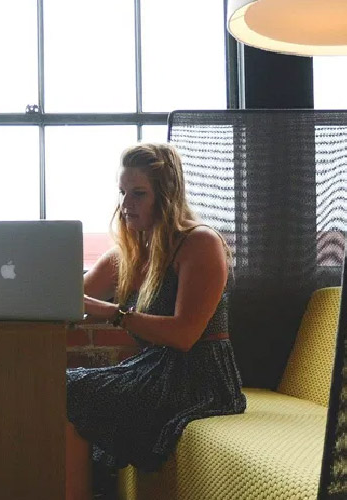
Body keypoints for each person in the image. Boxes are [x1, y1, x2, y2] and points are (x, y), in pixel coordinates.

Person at [65, 143, 247, 499]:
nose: (126, 205)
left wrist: (114, 314)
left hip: (200, 376)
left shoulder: (200, 243)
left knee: (71, 389)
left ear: (165, 197)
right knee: (61, 386)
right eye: (122, 193)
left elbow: (185, 335)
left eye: (138, 194)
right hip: (154, 369)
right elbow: (67, 299)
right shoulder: (131, 253)